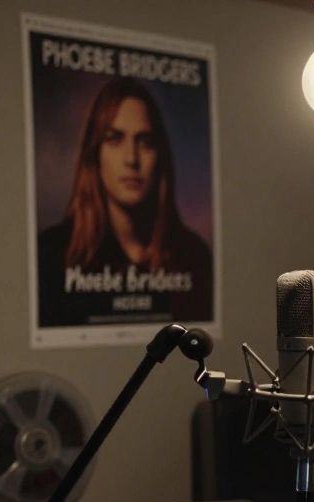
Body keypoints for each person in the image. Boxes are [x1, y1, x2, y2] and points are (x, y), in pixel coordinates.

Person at [37, 76, 213, 328]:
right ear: (94, 153)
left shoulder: (192, 256)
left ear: (160, 154)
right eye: (114, 139)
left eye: (145, 141)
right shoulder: (53, 256)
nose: (131, 158)